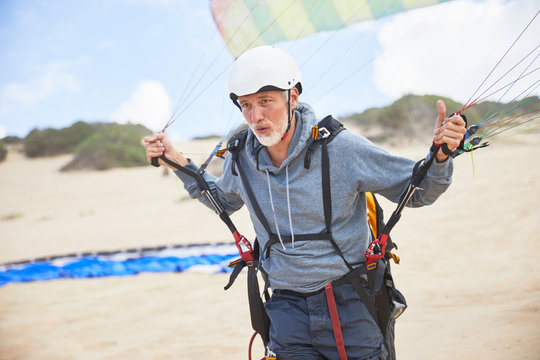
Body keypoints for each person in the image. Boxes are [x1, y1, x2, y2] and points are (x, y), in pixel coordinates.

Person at [144, 46, 466, 360]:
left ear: (292, 97)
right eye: (246, 105)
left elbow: (419, 190)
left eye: (266, 102)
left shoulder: (341, 150)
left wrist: (440, 155)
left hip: (348, 301)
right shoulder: (241, 158)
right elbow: (224, 201)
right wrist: (176, 161)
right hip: (285, 309)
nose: (256, 117)